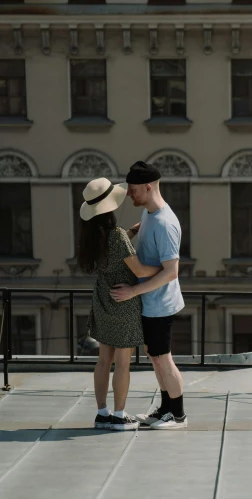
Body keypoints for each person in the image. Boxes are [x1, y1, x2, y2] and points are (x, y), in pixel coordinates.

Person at [78, 176, 161, 432]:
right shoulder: (115, 236)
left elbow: (112, 251)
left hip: (102, 299)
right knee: (123, 362)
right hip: (123, 301)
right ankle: (120, 416)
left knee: (104, 360)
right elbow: (141, 270)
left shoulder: (93, 234)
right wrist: (166, 267)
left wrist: (132, 233)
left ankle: (102, 414)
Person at [110, 161, 187, 431]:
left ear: (148, 187)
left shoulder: (164, 223)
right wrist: (132, 232)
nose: (129, 195)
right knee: (156, 355)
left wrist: (132, 291)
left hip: (160, 304)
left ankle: (177, 415)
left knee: (163, 358)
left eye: (132, 190)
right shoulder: (150, 214)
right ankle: (166, 409)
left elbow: (171, 272)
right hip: (152, 302)